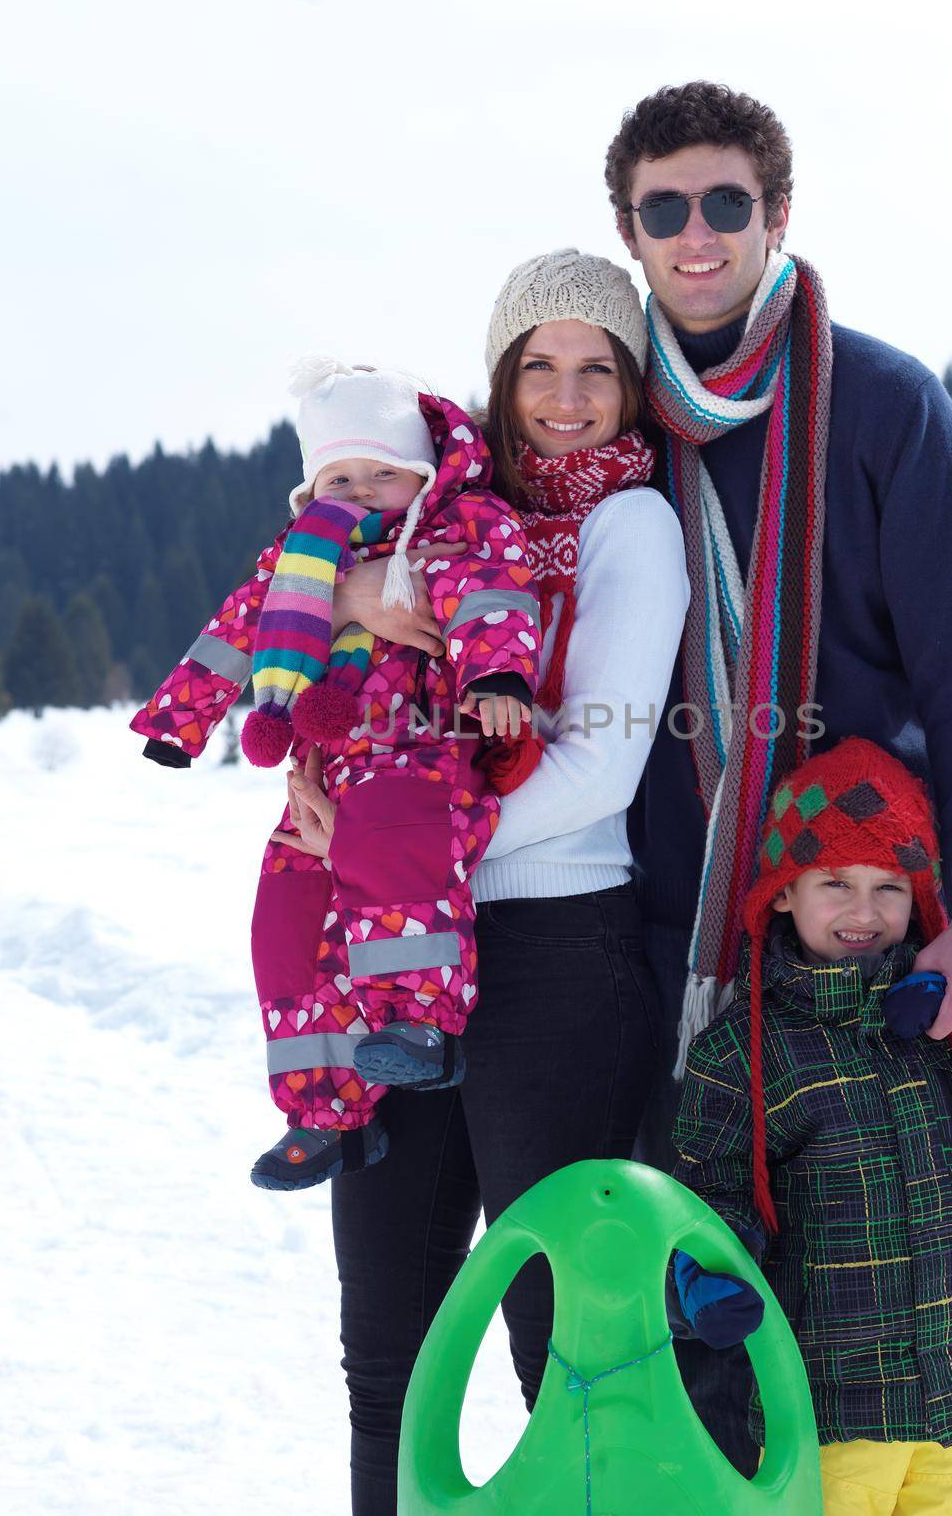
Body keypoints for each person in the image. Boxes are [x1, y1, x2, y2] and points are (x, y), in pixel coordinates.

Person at [606, 81, 952, 1470]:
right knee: (667, 1291)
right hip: (656, 911)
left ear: (777, 214)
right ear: (632, 231)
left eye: (726, 201)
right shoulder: (609, 421)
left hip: (849, 921)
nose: (698, 233)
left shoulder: (885, 404)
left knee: (870, 1290)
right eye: (664, 208)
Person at [295, 249, 690, 1513]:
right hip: (394, 959)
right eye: (537, 367)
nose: (565, 397)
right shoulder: (437, 522)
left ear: (631, 387)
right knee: (387, 1351)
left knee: (557, 1341)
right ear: (501, 380)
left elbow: (603, 768)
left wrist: (395, 839)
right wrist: (354, 595)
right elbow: (326, 666)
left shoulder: (633, 523)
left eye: (595, 369)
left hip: (556, 950)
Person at [130, 362, 539, 1188]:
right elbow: (236, 629)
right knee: (286, 913)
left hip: (422, 749)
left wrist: (498, 677)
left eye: (382, 473)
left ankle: (420, 1023)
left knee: (393, 850)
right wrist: (182, 720)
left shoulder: (460, 526)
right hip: (331, 766)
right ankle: (325, 1111)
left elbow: (491, 596)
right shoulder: (300, 561)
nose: (362, 491)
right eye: (340, 477)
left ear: (421, 471)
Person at [671, 737, 952, 1515]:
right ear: (784, 893)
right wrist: (702, 1274)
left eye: (888, 886)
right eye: (834, 882)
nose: (863, 912)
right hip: (834, 1414)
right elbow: (709, 1195)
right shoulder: (747, 1049)